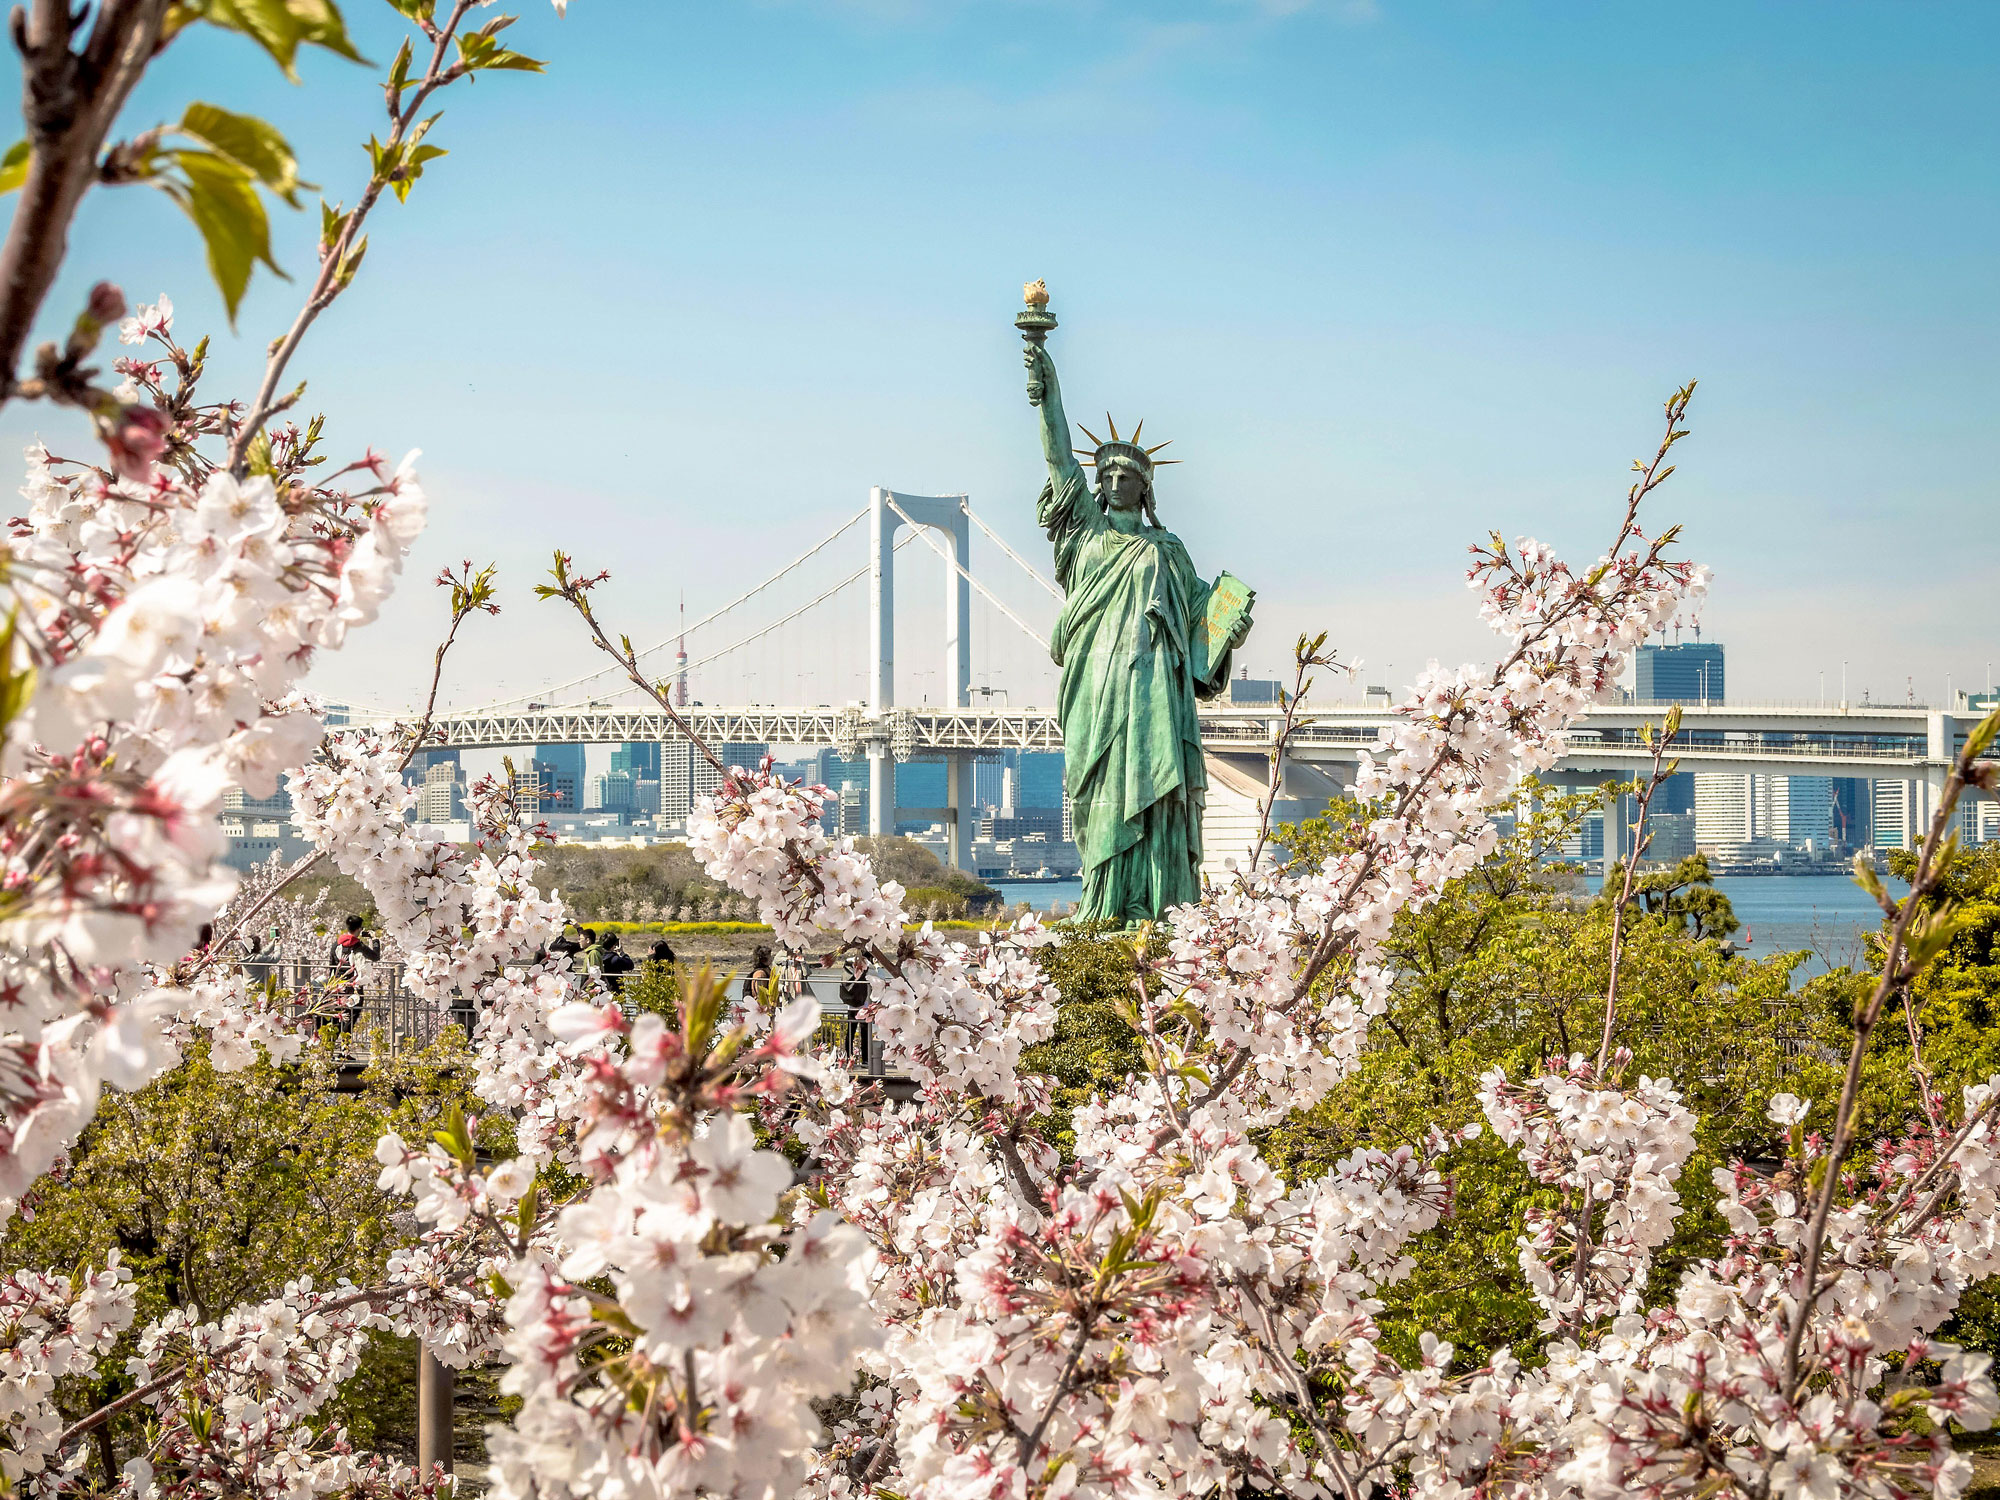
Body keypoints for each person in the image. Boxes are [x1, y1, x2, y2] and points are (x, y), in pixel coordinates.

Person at [1023, 327, 1253, 924]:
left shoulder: (1168, 550)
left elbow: (1204, 619)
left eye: (1128, 475)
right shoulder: (1085, 534)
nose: (1115, 481)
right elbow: (1055, 454)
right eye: (1107, 474)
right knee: (1100, 790)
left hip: (1154, 687)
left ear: (1145, 487)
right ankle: (1101, 903)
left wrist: (1231, 624)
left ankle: (1155, 904)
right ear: (1094, 485)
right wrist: (1047, 386)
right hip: (1095, 684)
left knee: (1156, 793)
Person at [327, 915, 380, 1033]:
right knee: (353, 1013)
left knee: (338, 1014)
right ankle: (344, 1046)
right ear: (358, 929)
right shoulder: (358, 945)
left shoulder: (336, 944)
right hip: (354, 985)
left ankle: (331, 1043)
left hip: (338, 984)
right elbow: (375, 956)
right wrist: (375, 940)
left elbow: (331, 965)